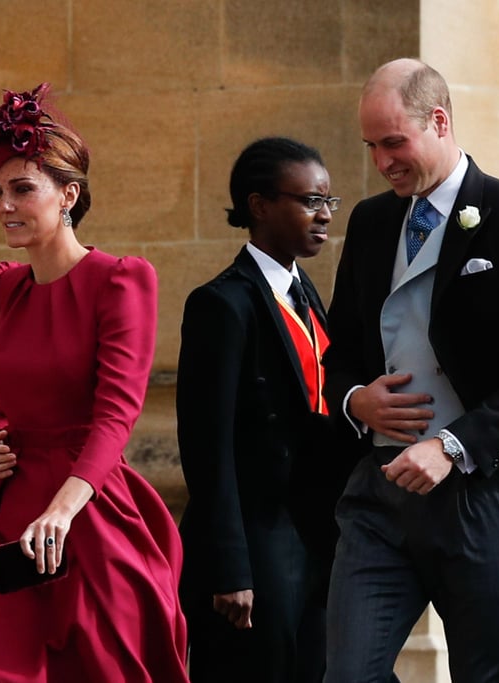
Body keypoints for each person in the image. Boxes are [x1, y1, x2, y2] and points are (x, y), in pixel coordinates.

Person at [321, 58, 499, 682]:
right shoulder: (369, 223)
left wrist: (452, 447)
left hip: (484, 494)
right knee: (346, 674)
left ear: (440, 121)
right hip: (378, 491)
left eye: (394, 142)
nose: (382, 162)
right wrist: (354, 400)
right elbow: (338, 352)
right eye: (371, 145)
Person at [0, 83, 188, 682]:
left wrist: (62, 511)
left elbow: (117, 414)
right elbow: (17, 396)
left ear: (69, 194)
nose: (5, 205)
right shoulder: (5, 285)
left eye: (22, 189)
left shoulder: (121, 281)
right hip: (10, 511)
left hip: (88, 510)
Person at [176, 137, 349, 682]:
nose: (323, 216)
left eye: (328, 202)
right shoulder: (222, 304)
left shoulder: (307, 294)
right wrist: (229, 567)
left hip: (316, 537)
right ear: (259, 206)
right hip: (255, 544)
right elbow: (207, 447)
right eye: (309, 201)